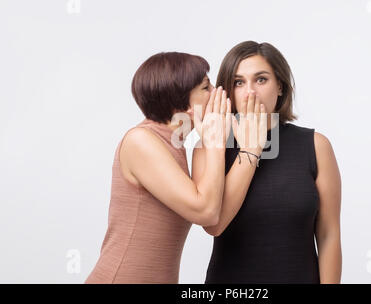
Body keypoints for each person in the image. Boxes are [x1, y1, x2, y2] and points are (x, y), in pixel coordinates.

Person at [193, 41, 342, 283]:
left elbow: (328, 235)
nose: (250, 92)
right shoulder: (210, 145)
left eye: (261, 79)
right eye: (238, 82)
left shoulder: (316, 145)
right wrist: (251, 148)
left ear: (280, 86)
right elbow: (214, 225)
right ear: (227, 92)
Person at [85, 52, 231, 283]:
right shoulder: (141, 141)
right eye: (206, 88)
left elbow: (213, 210)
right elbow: (206, 212)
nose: (217, 93)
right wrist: (214, 141)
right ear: (179, 102)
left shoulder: (177, 145)